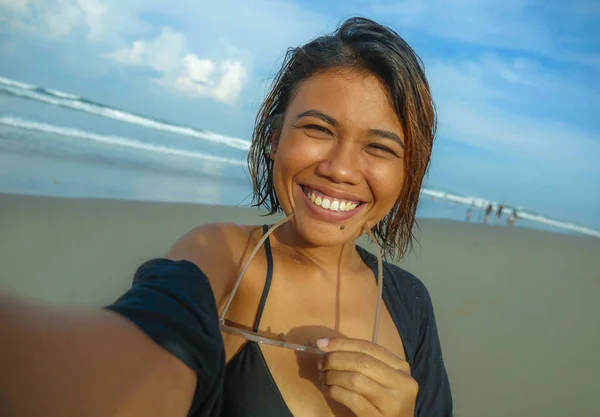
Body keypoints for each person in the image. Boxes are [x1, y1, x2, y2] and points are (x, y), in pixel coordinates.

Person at [0, 17, 453, 417]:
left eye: (379, 147)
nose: (340, 168)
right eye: (318, 129)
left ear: (405, 174)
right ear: (275, 138)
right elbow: (137, 359)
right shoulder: (222, 257)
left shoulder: (410, 303)